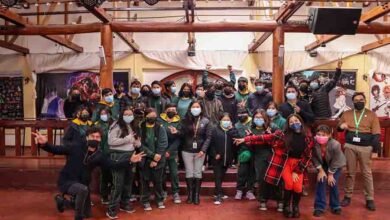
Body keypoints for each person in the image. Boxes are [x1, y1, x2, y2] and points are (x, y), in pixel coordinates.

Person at [33, 127, 145, 220]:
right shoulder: (75, 146)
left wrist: (130, 160)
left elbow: (113, 164)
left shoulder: (100, 155)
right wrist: (45, 144)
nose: (95, 139)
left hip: (83, 183)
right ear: (87, 137)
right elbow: (56, 149)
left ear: (100, 139)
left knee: (87, 213)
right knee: (82, 193)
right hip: (67, 180)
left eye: (97, 137)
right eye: (92, 136)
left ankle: (62, 202)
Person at [235, 114, 313, 218]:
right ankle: (286, 207)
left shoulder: (307, 137)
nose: (294, 123)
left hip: (299, 164)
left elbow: (308, 155)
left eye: (296, 121)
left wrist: (297, 170)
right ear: (288, 124)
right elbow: (265, 137)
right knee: (289, 184)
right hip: (285, 163)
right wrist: (246, 139)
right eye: (291, 122)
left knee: (298, 187)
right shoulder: (282, 134)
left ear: (300, 121)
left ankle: (295, 207)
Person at [338, 92, 381, 211]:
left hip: (365, 147)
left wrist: (374, 149)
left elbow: (376, 134)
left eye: (361, 100)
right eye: (356, 100)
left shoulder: (371, 115)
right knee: (349, 172)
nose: (358, 102)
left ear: (365, 101)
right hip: (350, 146)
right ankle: (347, 196)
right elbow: (339, 127)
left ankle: (370, 199)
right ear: (353, 102)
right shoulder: (346, 113)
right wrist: (341, 126)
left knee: (367, 173)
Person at [106, 106, 141, 219]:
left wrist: (137, 143)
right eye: (126, 114)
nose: (128, 116)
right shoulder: (116, 125)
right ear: (122, 115)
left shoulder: (132, 125)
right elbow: (111, 141)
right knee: (118, 183)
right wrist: (127, 139)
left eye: (130, 114)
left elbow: (133, 141)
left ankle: (125, 203)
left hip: (131, 155)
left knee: (128, 182)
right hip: (118, 155)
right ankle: (111, 208)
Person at [247, 109, 282, 212]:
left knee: (276, 179)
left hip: (273, 156)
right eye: (256, 117)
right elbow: (249, 145)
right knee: (262, 179)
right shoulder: (251, 129)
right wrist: (250, 139)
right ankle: (262, 200)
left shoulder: (273, 127)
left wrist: (270, 137)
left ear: (265, 118)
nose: (258, 119)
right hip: (259, 157)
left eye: (261, 117)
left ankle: (280, 200)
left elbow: (280, 140)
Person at [181, 100, 213, 205]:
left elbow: (208, 137)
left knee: (198, 172)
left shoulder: (206, 121)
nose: (195, 109)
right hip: (186, 150)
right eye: (193, 107)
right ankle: (190, 195)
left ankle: (196, 196)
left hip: (200, 151)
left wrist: (203, 150)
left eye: (197, 107)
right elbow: (182, 135)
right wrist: (176, 132)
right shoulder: (185, 120)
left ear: (201, 108)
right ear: (190, 108)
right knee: (189, 172)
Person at [312, 125, 346, 217]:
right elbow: (313, 157)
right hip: (322, 164)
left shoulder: (335, 144)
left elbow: (336, 161)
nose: (321, 137)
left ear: (329, 135)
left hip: (336, 165)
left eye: (324, 135)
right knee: (321, 180)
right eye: (319, 134)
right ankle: (319, 207)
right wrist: (321, 170)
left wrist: (330, 174)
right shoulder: (313, 143)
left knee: (332, 183)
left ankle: (335, 206)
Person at [139, 108, 168, 211]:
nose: (152, 118)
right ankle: (145, 200)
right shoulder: (141, 127)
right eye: (150, 116)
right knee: (145, 181)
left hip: (159, 159)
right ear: (146, 116)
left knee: (158, 181)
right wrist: (151, 155)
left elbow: (163, 143)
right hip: (145, 158)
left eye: (154, 116)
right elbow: (140, 145)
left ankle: (159, 199)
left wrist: (156, 159)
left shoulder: (160, 127)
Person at [209, 113, 238, 205]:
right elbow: (211, 144)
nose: (226, 121)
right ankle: (217, 196)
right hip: (217, 158)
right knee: (217, 176)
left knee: (221, 176)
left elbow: (237, 139)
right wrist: (214, 154)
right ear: (220, 120)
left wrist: (232, 130)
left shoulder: (232, 130)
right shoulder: (215, 130)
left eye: (228, 120)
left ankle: (218, 192)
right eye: (224, 120)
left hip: (227, 158)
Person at [158, 103, 182, 204]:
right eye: (169, 109)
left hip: (173, 151)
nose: (171, 111)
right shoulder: (159, 120)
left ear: (176, 111)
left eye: (173, 109)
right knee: (161, 173)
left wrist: (169, 151)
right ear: (165, 110)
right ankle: (163, 191)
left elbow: (179, 139)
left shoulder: (179, 121)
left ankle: (175, 193)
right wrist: (163, 151)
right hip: (161, 150)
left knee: (174, 173)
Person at [234, 108, 256, 201]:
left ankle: (249, 191)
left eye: (244, 113)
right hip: (242, 151)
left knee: (252, 172)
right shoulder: (236, 125)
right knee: (242, 172)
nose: (242, 115)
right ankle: (239, 190)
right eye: (240, 113)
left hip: (254, 151)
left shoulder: (253, 124)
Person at [94, 107, 113, 205]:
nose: (104, 115)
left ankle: (113, 196)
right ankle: (104, 196)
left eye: (106, 113)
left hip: (114, 154)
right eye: (102, 113)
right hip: (103, 154)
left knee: (114, 175)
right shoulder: (97, 125)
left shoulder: (114, 124)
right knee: (104, 176)